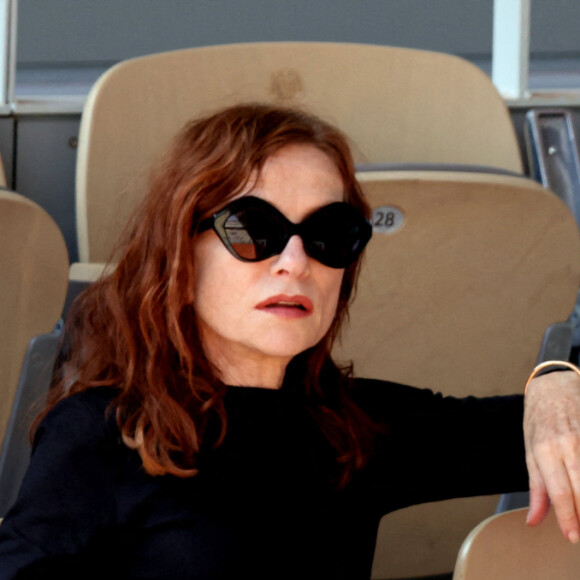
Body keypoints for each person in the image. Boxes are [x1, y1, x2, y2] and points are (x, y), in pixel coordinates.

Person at [1, 103, 580, 579]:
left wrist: (556, 378)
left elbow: (539, 431)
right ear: (180, 255)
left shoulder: (350, 427)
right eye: (254, 229)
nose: (295, 262)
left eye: (330, 234)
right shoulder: (100, 432)